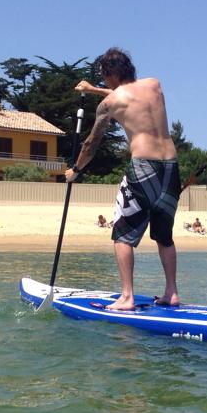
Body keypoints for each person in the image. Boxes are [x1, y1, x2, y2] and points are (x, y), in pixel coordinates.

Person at [66, 47, 180, 311]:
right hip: (171, 169)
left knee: (122, 234)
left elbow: (91, 143)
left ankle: (127, 296)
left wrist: (77, 170)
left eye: (104, 78)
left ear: (111, 73)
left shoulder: (109, 104)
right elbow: (131, 95)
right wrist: (94, 90)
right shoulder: (154, 85)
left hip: (143, 168)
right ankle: (171, 292)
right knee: (164, 235)